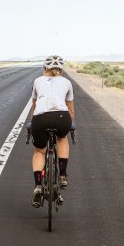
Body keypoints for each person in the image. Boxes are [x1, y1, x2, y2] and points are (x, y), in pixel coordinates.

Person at [29, 55, 75, 207]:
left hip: (40, 118)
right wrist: (70, 125)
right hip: (62, 116)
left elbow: (34, 106)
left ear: (44, 68)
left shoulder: (37, 81)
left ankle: (37, 186)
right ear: (61, 70)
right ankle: (62, 176)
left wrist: (32, 123)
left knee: (39, 152)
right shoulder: (67, 82)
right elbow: (71, 109)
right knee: (62, 138)